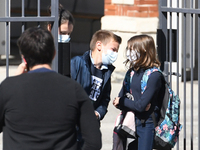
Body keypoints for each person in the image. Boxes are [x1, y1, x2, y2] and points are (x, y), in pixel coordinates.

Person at [0, 27, 102, 150]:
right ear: (54, 53)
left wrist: (14, 80)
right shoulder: (74, 89)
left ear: (24, 58)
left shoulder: (9, 88)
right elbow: (93, 141)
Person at [113, 34, 165, 150]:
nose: (129, 52)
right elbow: (118, 101)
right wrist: (125, 102)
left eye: (132, 49)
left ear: (144, 50)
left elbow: (140, 106)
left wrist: (124, 101)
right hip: (130, 121)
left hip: (147, 123)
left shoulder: (154, 75)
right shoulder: (131, 73)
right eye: (128, 49)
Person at [71, 29, 122, 121]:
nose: (115, 54)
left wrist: (98, 113)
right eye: (113, 49)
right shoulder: (77, 63)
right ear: (99, 45)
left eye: (116, 51)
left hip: (91, 122)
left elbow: (105, 98)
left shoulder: (106, 71)